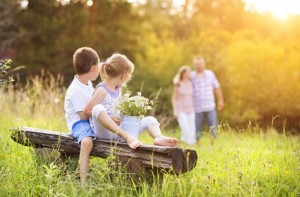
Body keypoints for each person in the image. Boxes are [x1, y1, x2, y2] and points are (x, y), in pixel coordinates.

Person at [84, 53, 178, 147]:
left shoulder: (118, 89)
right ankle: (128, 137)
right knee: (98, 108)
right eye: (129, 75)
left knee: (150, 119)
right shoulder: (102, 90)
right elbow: (87, 110)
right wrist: (109, 118)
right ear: (123, 76)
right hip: (104, 132)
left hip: (117, 131)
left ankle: (158, 137)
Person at [64, 47, 100, 183]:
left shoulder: (87, 83)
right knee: (87, 142)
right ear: (92, 68)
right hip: (79, 123)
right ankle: (83, 182)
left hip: (89, 119)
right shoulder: (75, 90)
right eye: (98, 66)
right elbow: (83, 116)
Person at [191, 57, 224, 140]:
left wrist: (220, 100)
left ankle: (214, 145)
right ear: (194, 65)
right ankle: (197, 145)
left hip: (210, 106)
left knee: (213, 128)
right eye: (197, 64)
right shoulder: (191, 75)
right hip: (196, 107)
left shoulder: (210, 74)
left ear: (204, 64)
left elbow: (217, 87)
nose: (199, 66)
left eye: (200, 64)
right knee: (197, 128)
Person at [172, 65, 196, 145]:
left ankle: (190, 145)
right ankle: (188, 144)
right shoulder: (178, 84)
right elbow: (174, 98)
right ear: (184, 74)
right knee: (186, 129)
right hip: (181, 110)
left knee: (192, 130)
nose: (190, 73)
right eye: (189, 72)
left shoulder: (191, 83)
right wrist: (175, 110)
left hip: (191, 109)